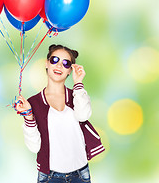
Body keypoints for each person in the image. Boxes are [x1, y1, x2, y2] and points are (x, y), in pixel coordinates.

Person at [15, 44, 105, 183]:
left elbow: (83, 116)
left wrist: (78, 83)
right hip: (49, 177)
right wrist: (28, 116)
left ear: (70, 70)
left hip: (80, 174)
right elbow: (34, 147)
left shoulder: (76, 95)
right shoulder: (33, 103)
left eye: (66, 63)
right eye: (54, 60)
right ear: (47, 63)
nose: (59, 66)